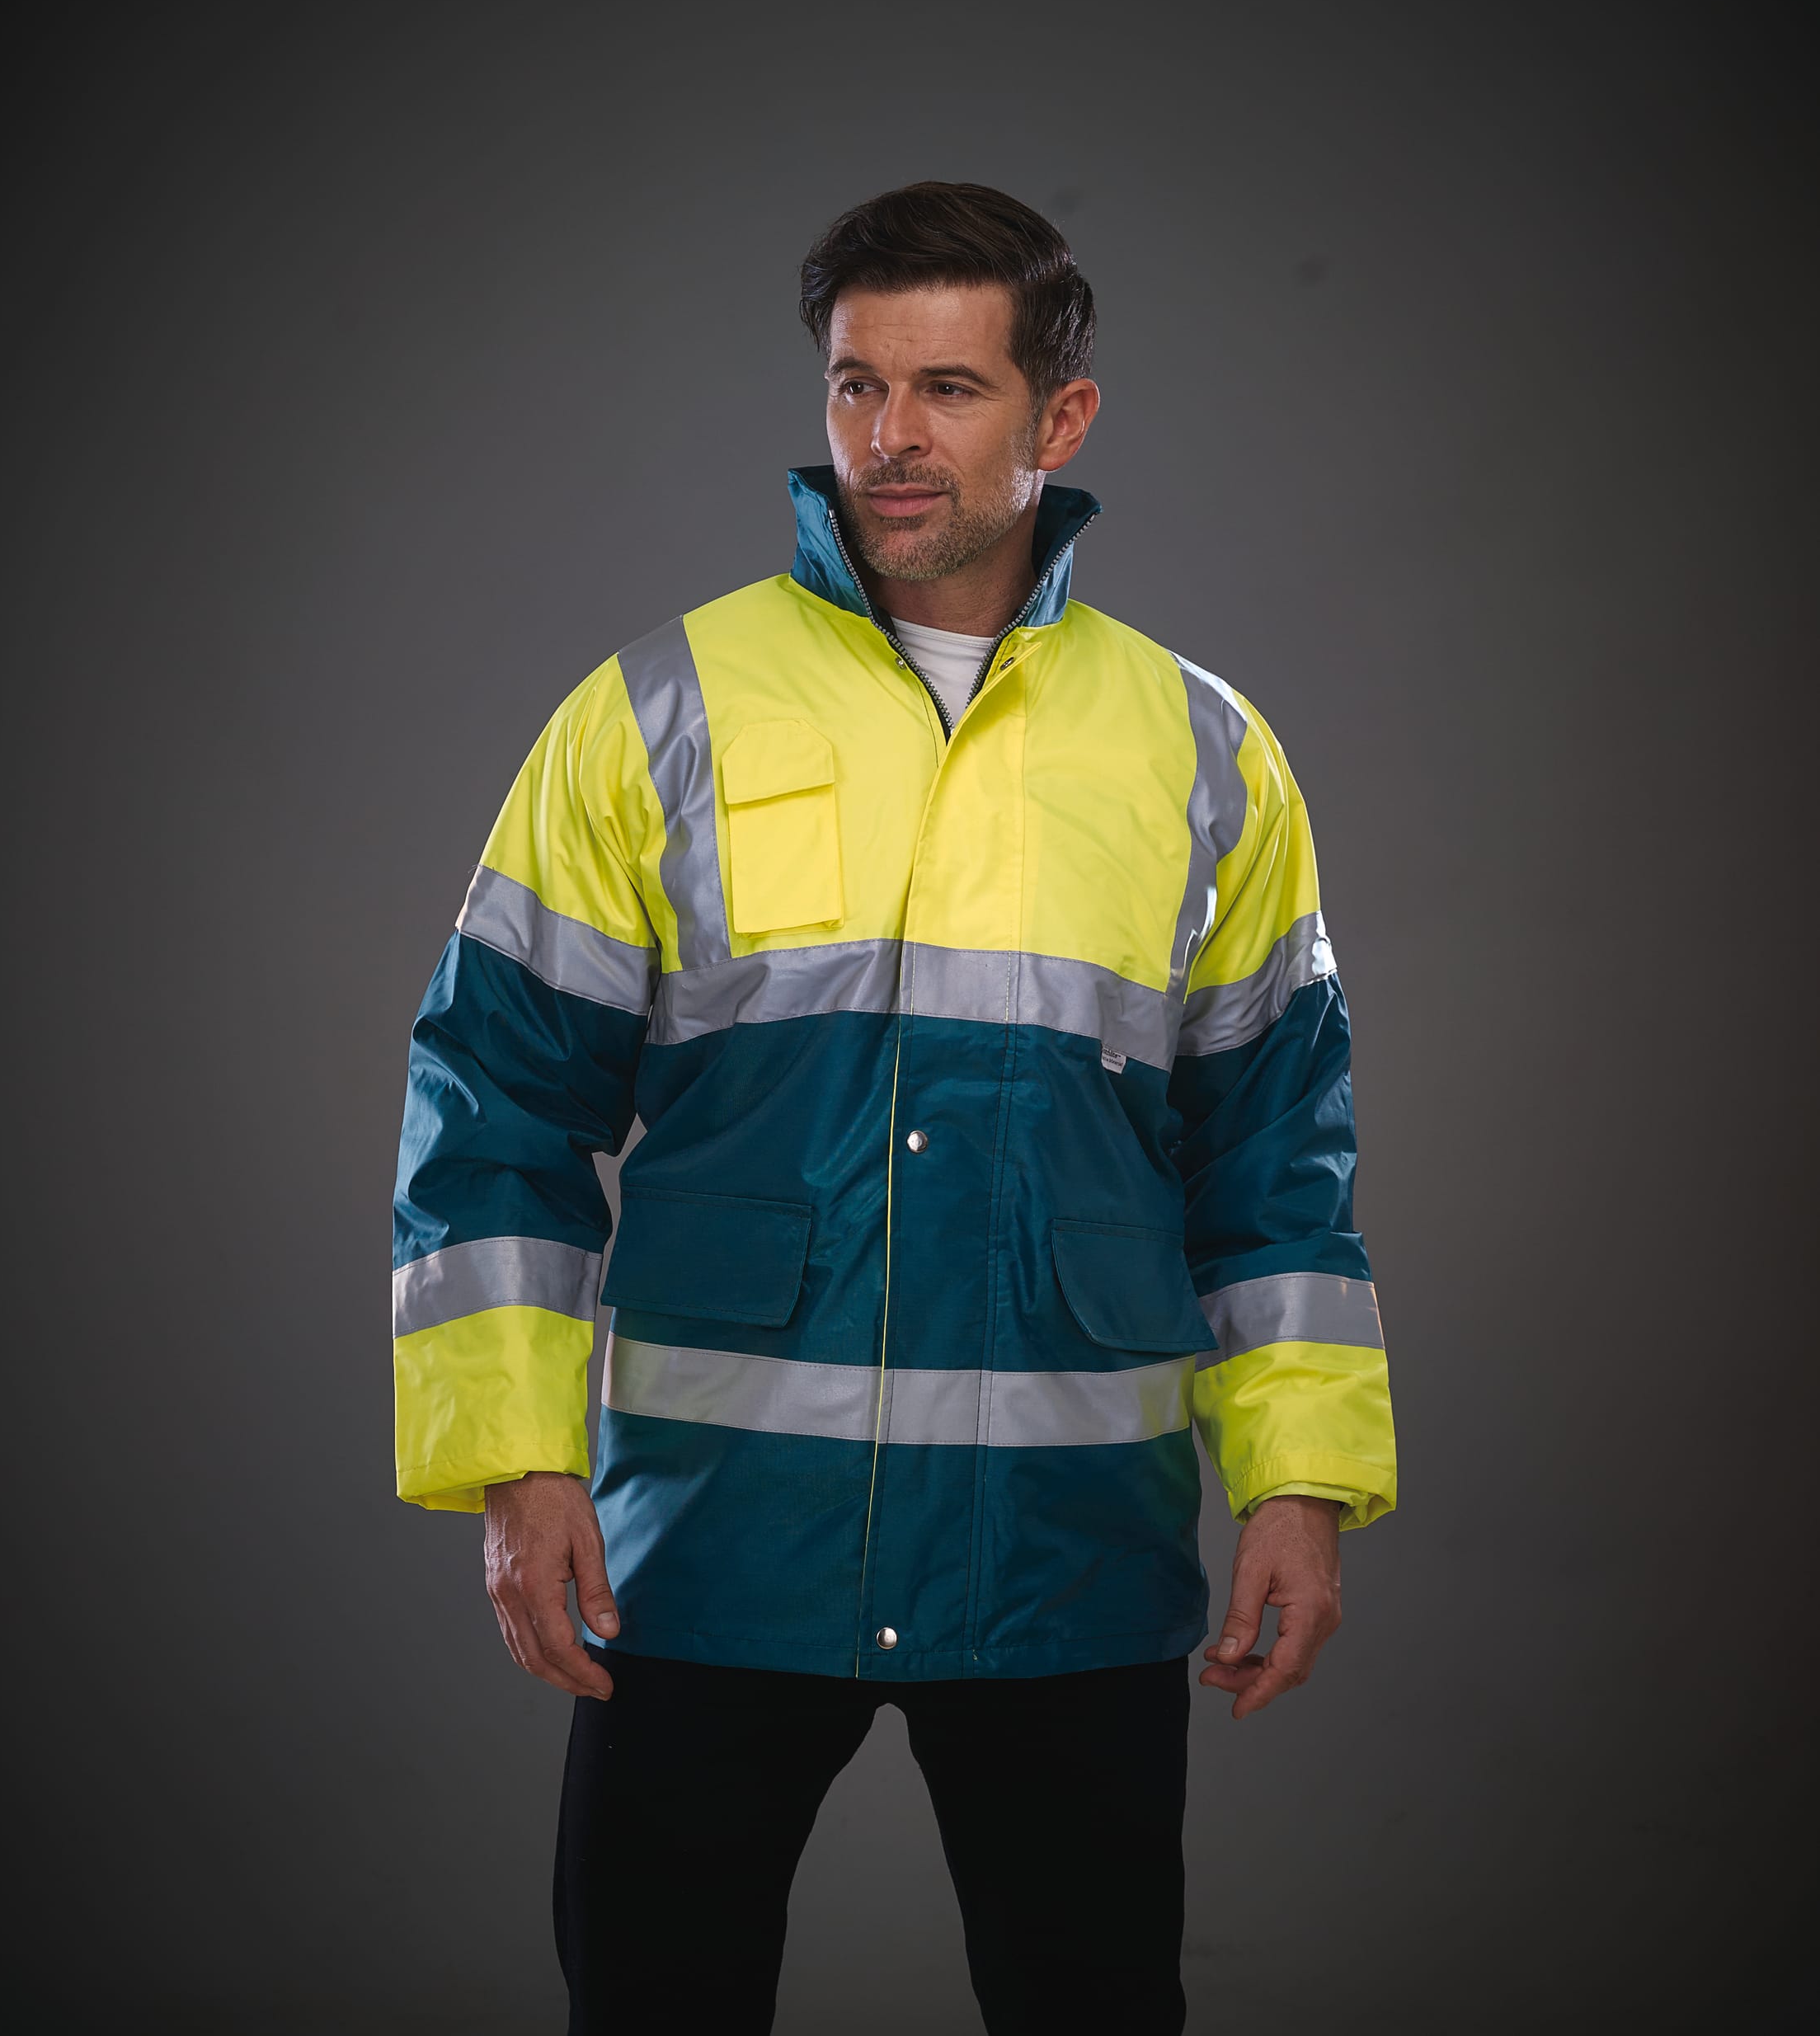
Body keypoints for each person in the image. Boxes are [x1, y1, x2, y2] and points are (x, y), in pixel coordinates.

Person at [391, 180, 1398, 2035]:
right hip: (712, 1549)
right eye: (858, 385)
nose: (889, 438)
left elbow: (1276, 1160)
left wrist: (1300, 1478)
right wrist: (517, 1465)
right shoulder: (656, 711)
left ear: (1058, 415)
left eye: (947, 388)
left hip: (1063, 1558)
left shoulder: (1201, 751)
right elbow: (497, 1105)